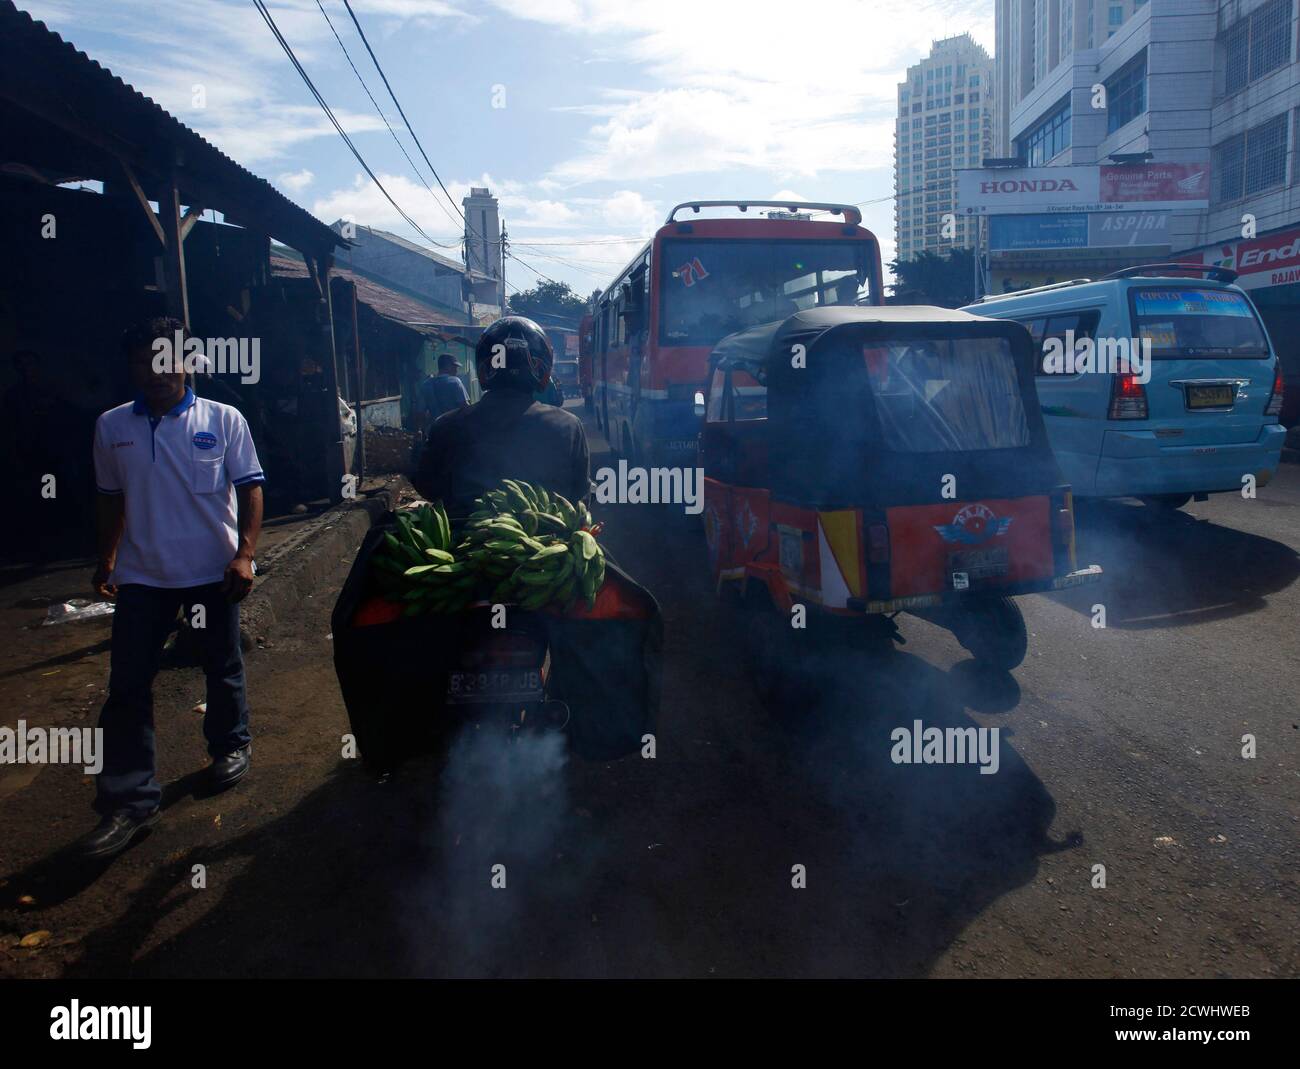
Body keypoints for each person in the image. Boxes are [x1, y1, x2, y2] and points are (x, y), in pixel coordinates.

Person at [79, 317, 265, 859]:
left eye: (166, 360)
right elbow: (110, 497)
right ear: (132, 367)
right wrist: (107, 556)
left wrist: (245, 555)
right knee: (128, 686)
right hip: (143, 577)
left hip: (212, 572)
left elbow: (250, 488)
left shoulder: (223, 420)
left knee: (221, 666)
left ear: (187, 362)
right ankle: (131, 802)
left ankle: (230, 746)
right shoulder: (112, 427)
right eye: (144, 362)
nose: (156, 372)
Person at [416, 315, 589, 514]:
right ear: (541, 368)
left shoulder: (445, 425)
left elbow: (427, 487)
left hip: (459, 541)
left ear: (484, 366)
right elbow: (580, 496)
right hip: (549, 539)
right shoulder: (569, 425)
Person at [418, 353, 469, 428]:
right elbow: (465, 407)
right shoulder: (455, 381)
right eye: (454, 367)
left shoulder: (426, 384)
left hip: (435, 430)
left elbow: (420, 413)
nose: (456, 370)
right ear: (447, 367)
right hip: (454, 429)